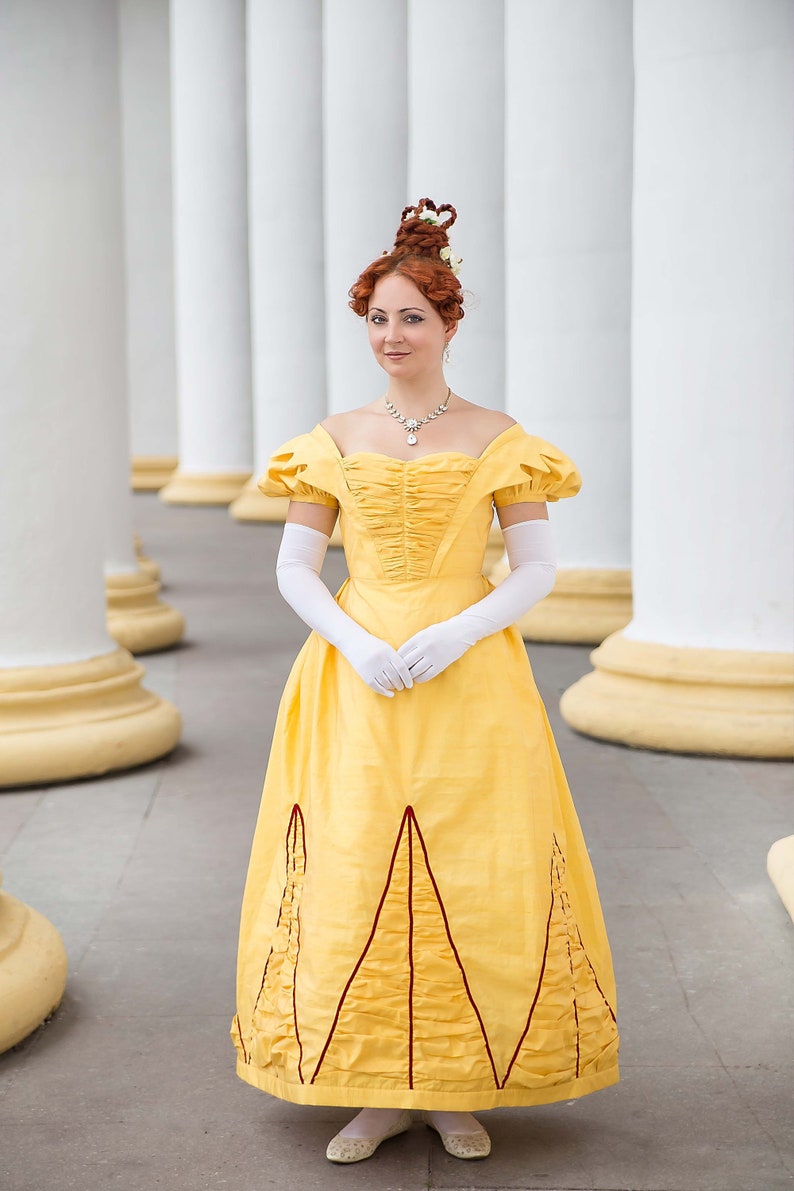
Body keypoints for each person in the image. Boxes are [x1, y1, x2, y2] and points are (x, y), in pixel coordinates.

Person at [231, 199, 619, 1164]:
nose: (392, 335)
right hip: (353, 677)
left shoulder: (499, 435)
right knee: (357, 858)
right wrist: (355, 643)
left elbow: (536, 568)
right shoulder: (331, 437)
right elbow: (292, 568)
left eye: (411, 316)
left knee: (473, 861)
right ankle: (368, 1090)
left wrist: (457, 632)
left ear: (449, 324)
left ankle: (454, 1086)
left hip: (470, 676)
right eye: (377, 317)